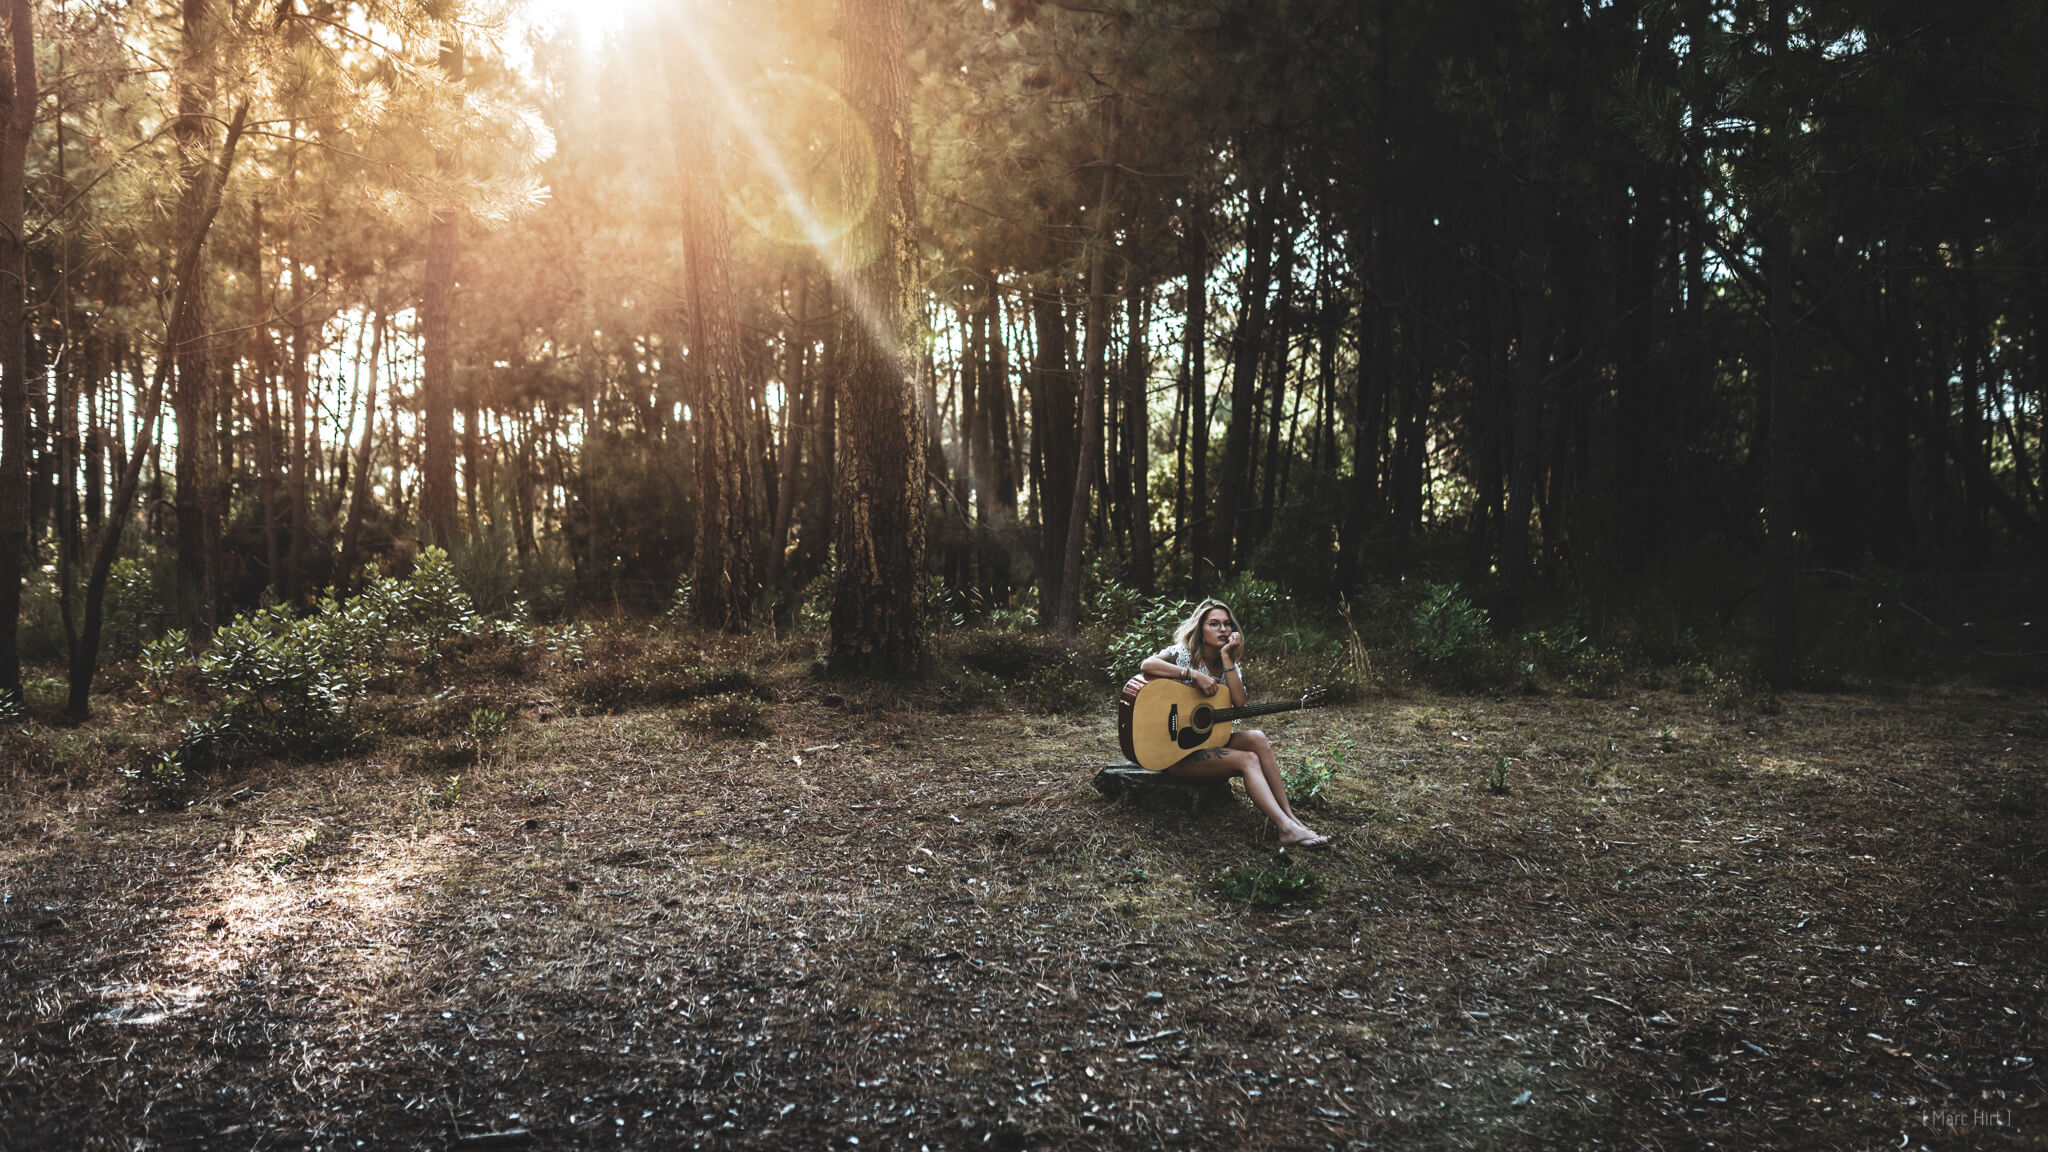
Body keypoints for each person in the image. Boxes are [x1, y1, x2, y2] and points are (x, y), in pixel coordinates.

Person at [1139, 597, 1332, 850]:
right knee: (1247, 759)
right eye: (1214, 624)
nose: (1223, 630)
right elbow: (1146, 664)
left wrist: (1226, 657)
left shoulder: (1229, 665)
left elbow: (1239, 702)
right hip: (1175, 753)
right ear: (1200, 628)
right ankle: (1285, 830)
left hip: (1206, 742)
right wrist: (1192, 674)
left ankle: (1291, 818)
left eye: (1227, 624)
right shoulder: (1181, 654)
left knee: (1257, 738)